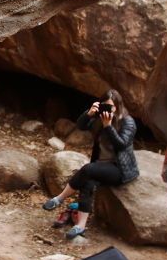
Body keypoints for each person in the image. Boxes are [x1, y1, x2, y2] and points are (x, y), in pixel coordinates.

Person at [41, 89, 139, 239]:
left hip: (119, 169)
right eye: (104, 106)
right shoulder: (100, 118)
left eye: (111, 107)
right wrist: (89, 114)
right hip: (101, 165)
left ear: (118, 106)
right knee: (87, 184)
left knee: (87, 170)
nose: (108, 110)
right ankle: (80, 226)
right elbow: (81, 126)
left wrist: (108, 127)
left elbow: (122, 144)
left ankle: (59, 198)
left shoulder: (127, 121)